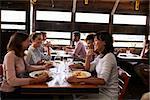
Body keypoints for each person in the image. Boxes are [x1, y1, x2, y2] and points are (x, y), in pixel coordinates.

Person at [67, 32, 118, 100]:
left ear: (104, 42)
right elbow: (88, 68)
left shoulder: (109, 57)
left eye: (96, 41)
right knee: (75, 96)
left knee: (76, 97)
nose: (93, 43)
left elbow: (102, 81)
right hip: (99, 91)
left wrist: (78, 79)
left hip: (108, 95)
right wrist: (88, 56)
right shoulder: (101, 56)